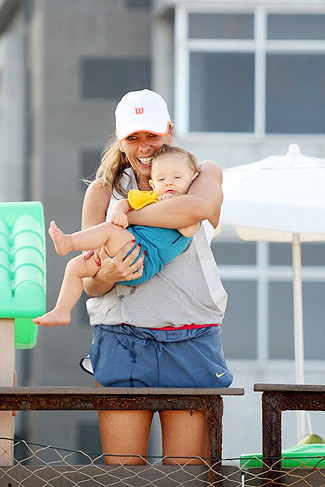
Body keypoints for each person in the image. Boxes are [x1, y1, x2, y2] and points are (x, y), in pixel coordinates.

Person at [80, 89, 232, 465]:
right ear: (120, 139)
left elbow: (199, 208)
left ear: (169, 131)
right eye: (133, 137)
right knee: (123, 476)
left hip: (191, 337)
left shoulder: (200, 174)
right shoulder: (102, 191)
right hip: (122, 338)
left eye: (152, 135)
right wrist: (110, 274)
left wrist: (126, 214)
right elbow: (90, 282)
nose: (144, 146)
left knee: (187, 477)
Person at [33, 145, 200, 327]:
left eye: (177, 178)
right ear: (152, 183)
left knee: (109, 229)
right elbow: (125, 202)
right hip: (126, 247)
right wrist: (118, 212)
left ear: (193, 180)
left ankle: (69, 241)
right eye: (161, 179)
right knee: (74, 266)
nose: (169, 183)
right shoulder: (150, 197)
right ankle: (62, 310)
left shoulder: (189, 208)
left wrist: (173, 206)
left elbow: (190, 230)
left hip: (145, 259)